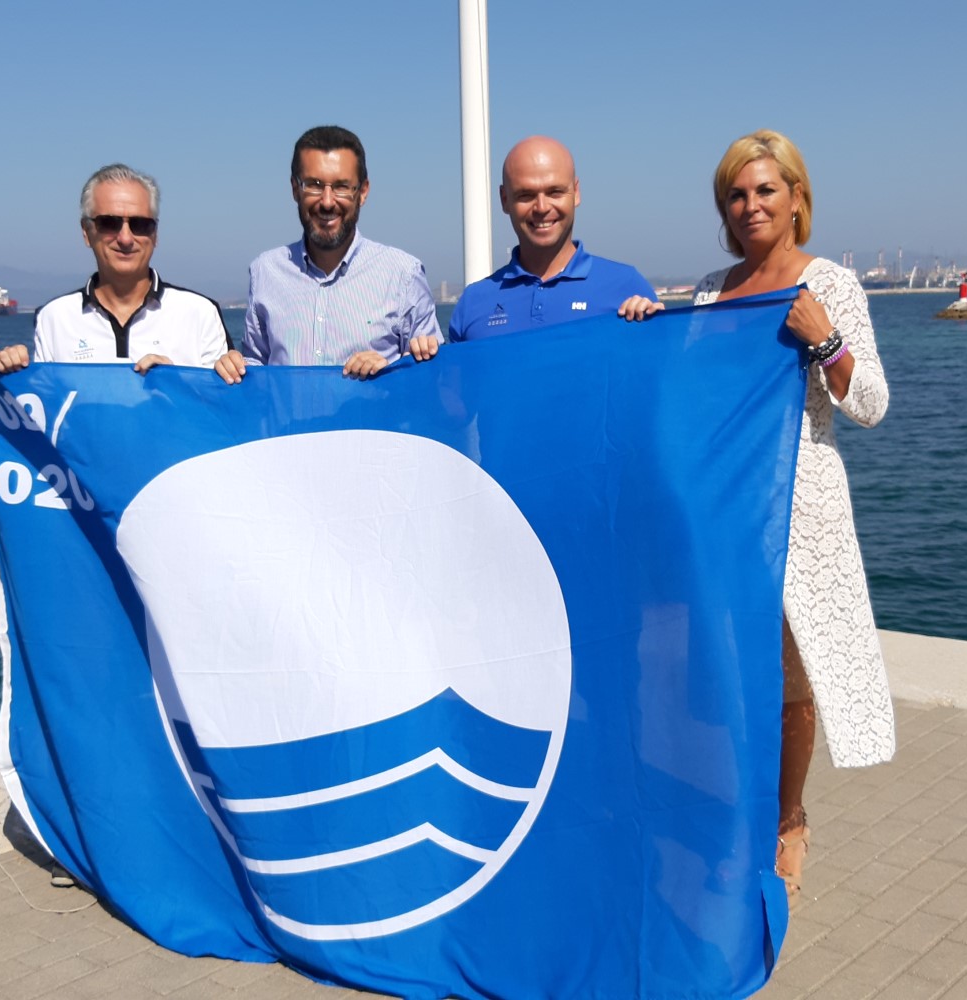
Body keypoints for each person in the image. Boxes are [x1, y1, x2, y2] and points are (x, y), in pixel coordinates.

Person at [691, 129, 895, 904]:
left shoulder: (831, 284)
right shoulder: (711, 292)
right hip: (726, 507)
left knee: (792, 674)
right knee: (725, 666)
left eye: (766, 191)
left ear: (797, 198)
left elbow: (870, 405)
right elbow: (691, 395)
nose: (751, 206)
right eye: (737, 195)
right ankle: (735, 814)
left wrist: (826, 341)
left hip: (802, 508)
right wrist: (650, 324)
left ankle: (789, 818)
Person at [215, 126, 441, 383]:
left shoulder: (404, 275)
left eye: (342, 187)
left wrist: (391, 370)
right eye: (314, 185)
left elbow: (435, 382)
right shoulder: (265, 272)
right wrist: (234, 366)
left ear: (363, 192)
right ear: (294, 188)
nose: (327, 201)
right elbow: (256, 369)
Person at [0, 163, 229, 375]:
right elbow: (44, 413)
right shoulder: (54, 318)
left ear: (154, 233)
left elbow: (224, 413)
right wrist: (9, 375)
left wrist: (175, 382)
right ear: (86, 231)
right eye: (109, 223)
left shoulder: (200, 313)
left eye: (140, 224)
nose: (125, 238)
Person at [448, 136, 659, 340]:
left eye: (555, 192)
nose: (542, 207)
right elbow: (451, 376)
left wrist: (658, 330)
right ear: (505, 200)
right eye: (526, 195)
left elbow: (663, 370)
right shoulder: (472, 304)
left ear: (576, 193)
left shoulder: (627, 287)